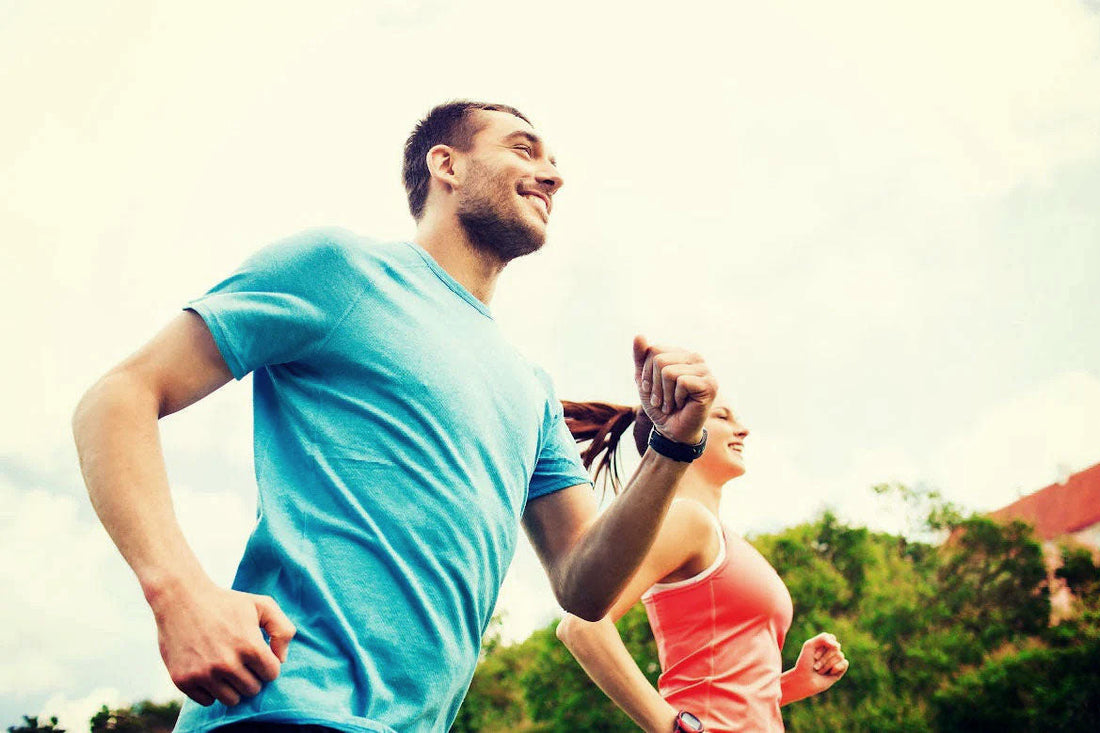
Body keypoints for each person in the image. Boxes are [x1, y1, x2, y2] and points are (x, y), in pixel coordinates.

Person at [71, 101, 720, 733]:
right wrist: (181, 596)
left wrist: (672, 446)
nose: (554, 175)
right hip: (284, 706)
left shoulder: (531, 390)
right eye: (524, 149)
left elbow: (585, 585)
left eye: (554, 161)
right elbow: (120, 396)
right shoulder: (340, 269)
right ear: (447, 164)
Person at [556, 399, 849, 733]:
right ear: (682, 431)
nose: (743, 429)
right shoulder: (687, 519)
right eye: (723, 416)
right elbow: (581, 626)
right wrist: (676, 728)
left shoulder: (721, 535)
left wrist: (795, 683)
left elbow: (721, 690)